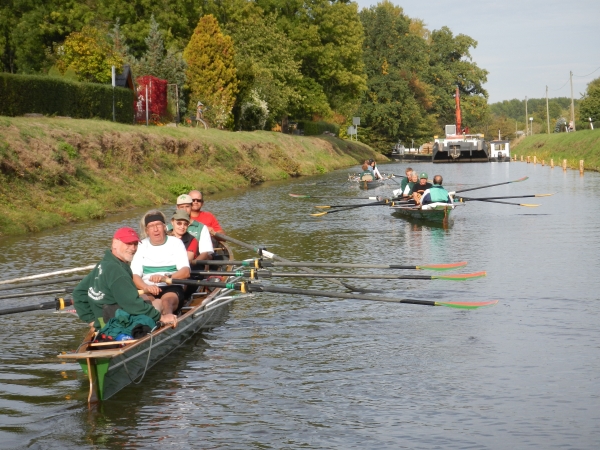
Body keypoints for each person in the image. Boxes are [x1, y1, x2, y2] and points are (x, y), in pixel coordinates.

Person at [72, 227, 177, 330]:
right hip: (118, 321)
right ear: (115, 243)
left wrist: (91, 320)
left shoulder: (104, 264)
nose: (133, 248)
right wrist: (161, 317)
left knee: (145, 297)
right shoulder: (117, 272)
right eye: (128, 243)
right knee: (158, 303)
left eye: (135, 244)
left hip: (103, 319)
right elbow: (132, 304)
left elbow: (78, 292)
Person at [132, 210, 191, 316]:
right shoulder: (141, 245)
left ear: (164, 227)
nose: (155, 229)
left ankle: (168, 318)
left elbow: (186, 272)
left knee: (166, 303)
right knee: (146, 304)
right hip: (147, 288)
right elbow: (135, 275)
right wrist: (146, 287)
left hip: (171, 286)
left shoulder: (176, 243)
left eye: (158, 225)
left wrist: (166, 277)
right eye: (151, 226)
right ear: (147, 230)